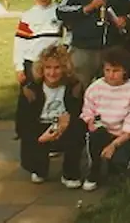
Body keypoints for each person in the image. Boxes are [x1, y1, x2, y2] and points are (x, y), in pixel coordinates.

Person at [15, 45, 85, 188]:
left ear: (64, 68)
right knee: (38, 172)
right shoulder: (30, 89)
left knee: (78, 130)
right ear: (42, 68)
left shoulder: (74, 87)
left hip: (64, 127)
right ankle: (39, 167)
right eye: (48, 68)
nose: (52, 73)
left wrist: (65, 124)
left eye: (57, 68)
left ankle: (70, 173)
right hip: (40, 128)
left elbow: (80, 113)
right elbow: (21, 122)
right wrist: (39, 138)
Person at [80, 46, 130, 191]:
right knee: (95, 138)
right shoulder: (94, 88)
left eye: (116, 71)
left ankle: (116, 169)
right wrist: (92, 123)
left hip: (122, 136)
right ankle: (93, 171)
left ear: (125, 71)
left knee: (119, 168)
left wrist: (114, 145)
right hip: (100, 131)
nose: (111, 75)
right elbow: (88, 114)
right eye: (107, 70)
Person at [14, 0, 63, 86]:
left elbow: (69, 33)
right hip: (32, 61)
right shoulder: (28, 15)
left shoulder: (60, 13)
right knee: (31, 92)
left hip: (53, 62)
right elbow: (20, 42)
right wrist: (19, 67)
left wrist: (65, 48)